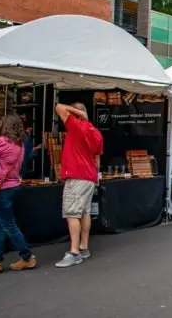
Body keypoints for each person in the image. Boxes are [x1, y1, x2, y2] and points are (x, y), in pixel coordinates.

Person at [0, 115, 36, 274]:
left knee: (8, 226)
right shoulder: (20, 145)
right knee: (0, 225)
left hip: (1, 188)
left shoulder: (0, 142)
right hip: (13, 186)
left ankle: (27, 257)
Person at [54, 103, 103, 268]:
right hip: (89, 177)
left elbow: (59, 107)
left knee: (72, 213)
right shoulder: (96, 133)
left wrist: (79, 114)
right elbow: (97, 158)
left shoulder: (76, 125)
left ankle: (74, 252)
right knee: (84, 212)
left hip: (76, 176)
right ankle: (83, 247)